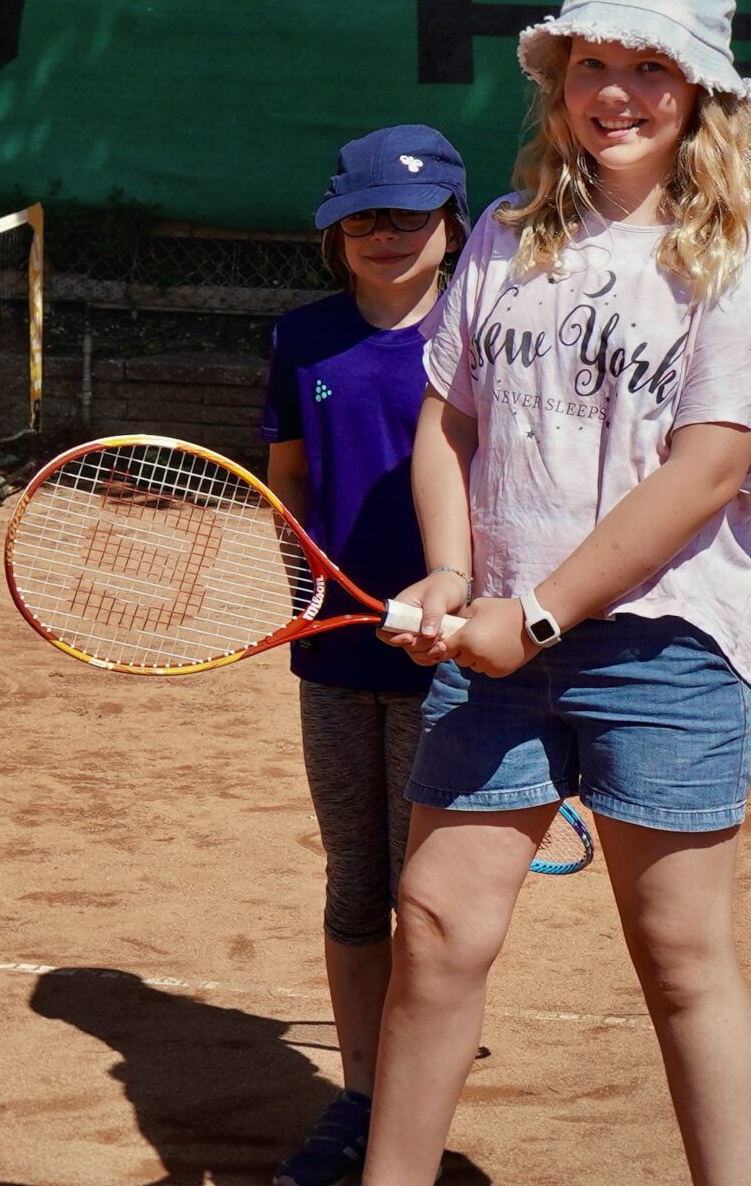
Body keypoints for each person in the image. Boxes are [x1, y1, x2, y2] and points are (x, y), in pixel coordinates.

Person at [368, 0, 751, 1186]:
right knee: (437, 930)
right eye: (592, 66)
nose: (614, 93)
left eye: (649, 70)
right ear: (560, 82)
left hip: (664, 650)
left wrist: (541, 616)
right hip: (498, 641)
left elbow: (706, 470)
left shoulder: (736, 258)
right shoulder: (504, 238)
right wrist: (454, 577)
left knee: (678, 956)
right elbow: (446, 422)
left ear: (704, 97)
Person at [259, 125, 469, 1186]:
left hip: (453, 659)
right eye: (363, 218)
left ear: (451, 225)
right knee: (355, 885)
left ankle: (413, 1086)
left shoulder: (483, 340)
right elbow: (287, 478)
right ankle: (359, 1096)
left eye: (409, 216)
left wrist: (464, 606)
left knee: (428, 901)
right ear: (335, 233)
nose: (385, 234)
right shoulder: (302, 340)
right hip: (339, 652)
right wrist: (305, 583)